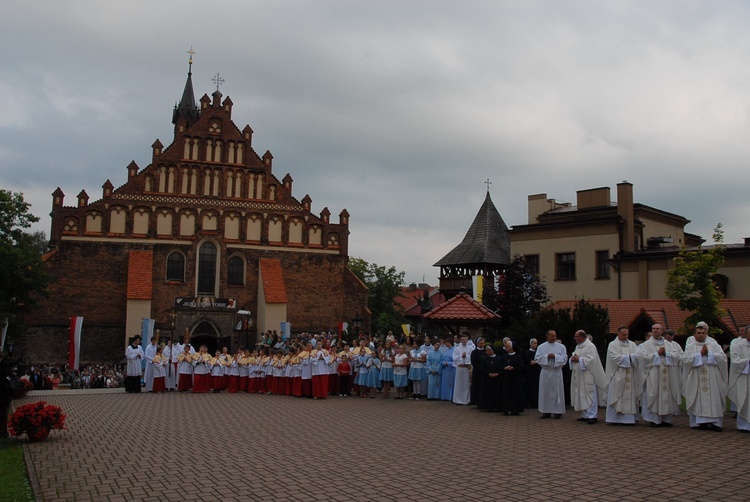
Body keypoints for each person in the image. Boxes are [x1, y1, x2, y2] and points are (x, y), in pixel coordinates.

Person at [681, 321, 728, 431]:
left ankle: (715, 423)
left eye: (703, 333)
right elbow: (686, 360)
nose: (701, 334)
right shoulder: (691, 346)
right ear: (694, 334)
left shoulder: (714, 344)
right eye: (699, 333)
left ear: (706, 333)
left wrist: (710, 354)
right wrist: (699, 354)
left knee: (714, 398)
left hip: (712, 376)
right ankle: (700, 422)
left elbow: (723, 357)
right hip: (696, 377)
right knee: (698, 398)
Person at [637, 324, 681, 427]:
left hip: (667, 374)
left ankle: (666, 420)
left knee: (666, 395)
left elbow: (676, 356)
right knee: (654, 394)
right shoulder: (646, 345)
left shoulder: (669, 344)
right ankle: (654, 420)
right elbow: (642, 357)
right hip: (653, 374)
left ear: (662, 331)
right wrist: (657, 354)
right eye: (654, 329)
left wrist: (666, 354)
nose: (655, 330)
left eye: (658, 329)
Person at [605, 326, 640, 425]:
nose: (625, 336)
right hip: (617, 374)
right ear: (618, 334)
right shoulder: (613, 345)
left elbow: (638, 356)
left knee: (629, 394)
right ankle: (614, 419)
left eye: (627, 334)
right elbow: (614, 357)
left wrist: (631, 357)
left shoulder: (632, 345)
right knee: (616, 394)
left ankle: (628, 419)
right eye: (623, 334)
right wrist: (630, 357)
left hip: (630, 374)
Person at [570, 330, 607, 424]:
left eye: (576, 336)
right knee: (581, 395)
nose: (575, 338)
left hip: (588, 375)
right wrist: (572, 359)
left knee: (590, 395)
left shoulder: (590, 346)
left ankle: (592, 416)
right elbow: (575, 356)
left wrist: (579, 359)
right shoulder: (578, 346)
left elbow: (592, 360)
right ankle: (585, 415)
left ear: (581, 337)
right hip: (579, 375)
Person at [535, 330, 567, 419]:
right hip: (545, 372)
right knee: (545, 392)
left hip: (556, 372)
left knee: (557, 392)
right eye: (552, 336)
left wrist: (555, 357)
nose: (554, 338)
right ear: (547, 336)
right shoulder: (541, 347)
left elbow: (564, 359)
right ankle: (546, 411)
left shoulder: (561, 347)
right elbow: (537, 358)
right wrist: (547, 356)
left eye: (555, 336)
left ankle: (558, 411)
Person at [728, 326, 750, 431]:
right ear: (746, 334)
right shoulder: (739, 346)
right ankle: (743, 425)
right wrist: (747, 362)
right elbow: (735, 361)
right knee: (744, 400)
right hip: (744, 378)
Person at [500, 341, 525, 415]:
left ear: (512, 347)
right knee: (506, 394)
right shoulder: (504, 356)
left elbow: (521, 368)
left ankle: (515, 409)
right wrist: (505, 368)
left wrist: (513, 368)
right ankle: (506, 409)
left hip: (515, 379)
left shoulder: (518, 357)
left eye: (508, 346)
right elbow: (500, 366)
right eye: (506, 346)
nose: (506, 348)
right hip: (506, 378)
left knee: (515, 394)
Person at [452, 334, 474, 405]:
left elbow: (472, 357)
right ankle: (458, 400)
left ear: (467, 340)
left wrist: (466, 356)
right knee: (458, 384)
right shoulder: (457, 348)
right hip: (459, 368)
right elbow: (454, 357)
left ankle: (466, 400)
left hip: (466, 368)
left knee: (466, 385)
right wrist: (461, 356)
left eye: (465, 339)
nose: (464, 341)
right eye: (462, 339)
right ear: (460, 340)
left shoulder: (470, 348)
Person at [480, 345, 503, 412]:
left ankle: (498, 406)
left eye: (488, 350)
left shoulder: (499, 358)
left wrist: (498, 373)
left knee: (497, 393)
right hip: (488, 379)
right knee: (489, 393)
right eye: (486, 351)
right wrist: (488, 373)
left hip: (497, 379)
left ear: (492, 351)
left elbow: (501, 367)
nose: (487, 352)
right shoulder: (485, 359)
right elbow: (482, 368)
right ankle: (489, 406)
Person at [524, 338, 541, 409]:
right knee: (531, 388)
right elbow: (530, 363)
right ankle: (530, 403)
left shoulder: (537, 352)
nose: (535, 345)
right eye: (534, 343)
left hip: (537, 373)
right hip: (530, 373)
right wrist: (537, 362)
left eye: (536, 343)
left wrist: (536, 362)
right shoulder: (528, 353)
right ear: (530, 344)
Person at [470, 337, 486, 406]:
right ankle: (475, 401)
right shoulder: (474, 352)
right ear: (477, 344)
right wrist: (480, 367)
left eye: (483, 343)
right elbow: (473, 362)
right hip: (477, 372)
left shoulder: (486, 351)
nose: (482, 345)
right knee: (477, 386)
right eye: (481, 343)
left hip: (484, 372)